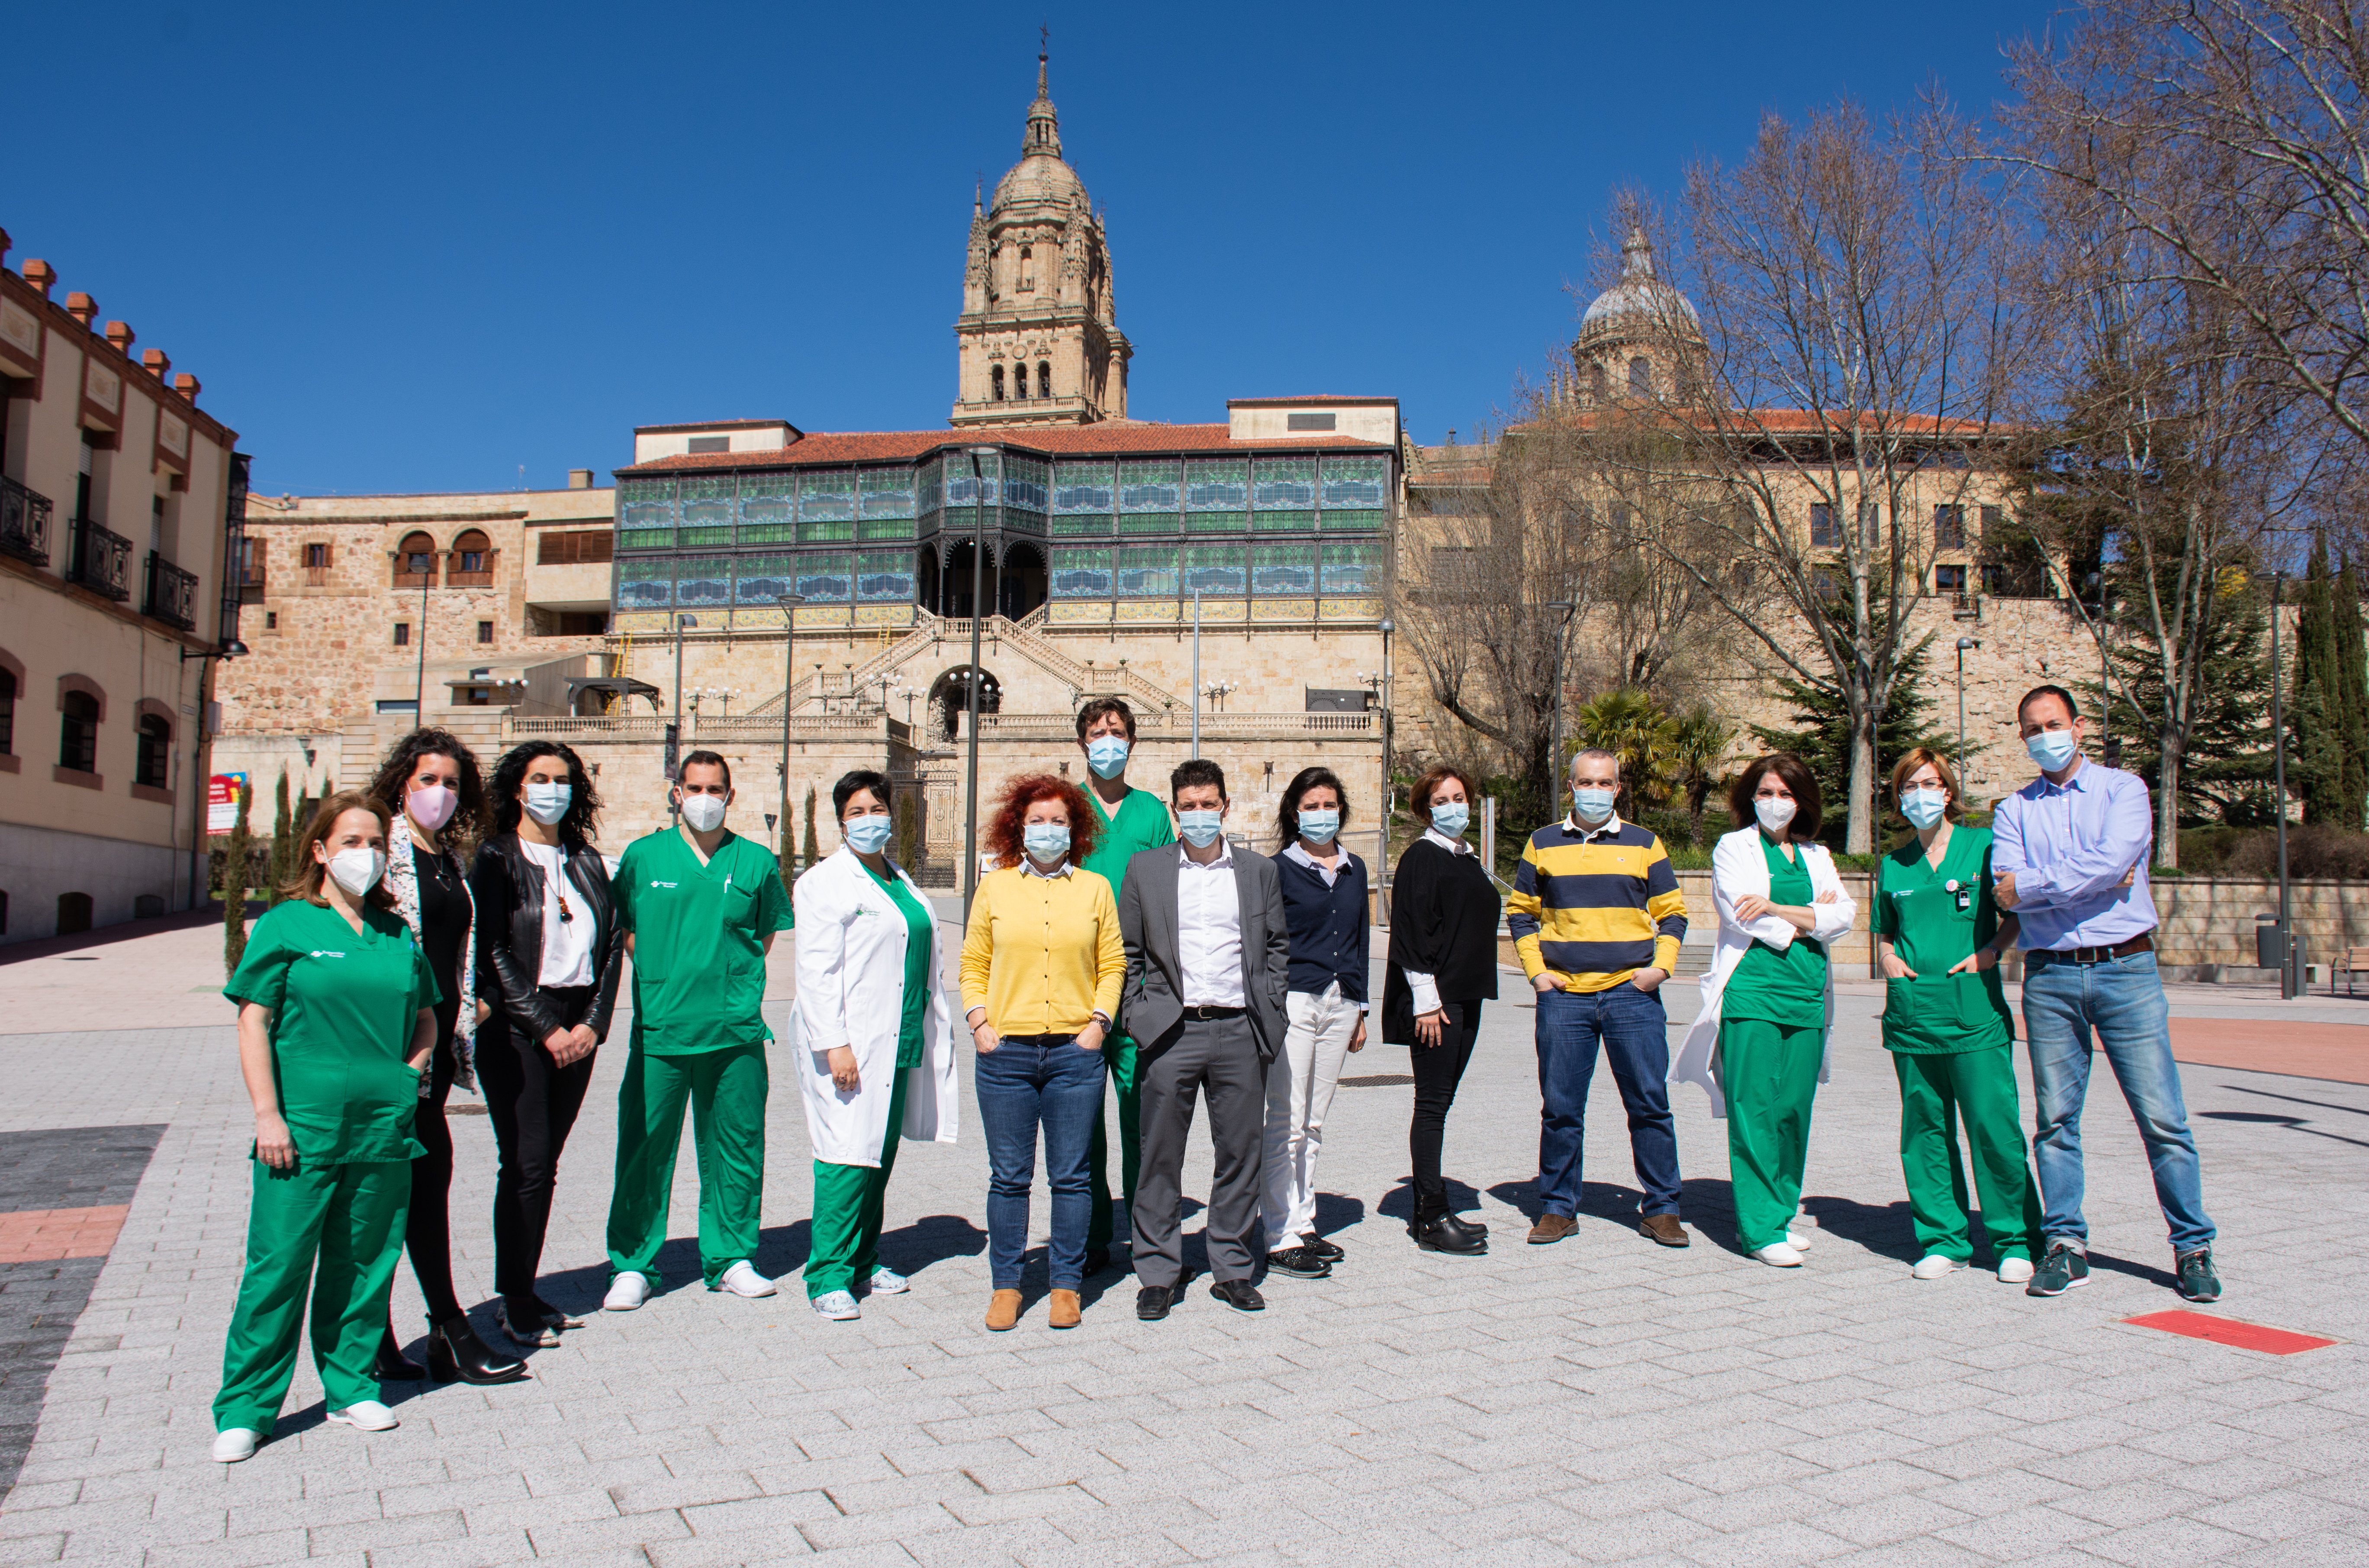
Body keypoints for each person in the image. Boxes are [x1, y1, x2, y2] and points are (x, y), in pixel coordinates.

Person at [212, 792, 439, 1463]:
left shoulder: (397, 934)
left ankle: (350, 1386)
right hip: (300, 1127)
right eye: (350, 841)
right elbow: (252, 1018)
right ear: (318, 849)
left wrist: (411, 1073)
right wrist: (268, 1114)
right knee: (278, 1268)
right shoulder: (286, 926)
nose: (364, 854)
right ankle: (246, 1407)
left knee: (365, 1263)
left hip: (382, 1127)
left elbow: (426, 1012)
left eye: (374, 842)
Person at [1991, 684, 2219, 1302]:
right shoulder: (2012, 810)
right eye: (2032, 727)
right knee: (2056, 1121)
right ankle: (2065, 1244)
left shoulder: (2124, 790)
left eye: (2053, 723)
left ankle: (2192, 1246)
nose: (2044, 735)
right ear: (2021, 737)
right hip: (2050, 976)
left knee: (2162, 1118)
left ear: (2079, 725)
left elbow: (2115, 856)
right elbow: (2005, 887)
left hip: (2126, 970)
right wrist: (2086, 877)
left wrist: (2039, 884)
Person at [603, 751, 795, 1309]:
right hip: (661, 1031)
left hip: (734, 1031)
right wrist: (666, 975)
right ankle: (634, 1264)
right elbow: (626, 929)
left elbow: (764, 934)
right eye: (694, 787)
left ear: (730, 796)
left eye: (715, 788)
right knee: (643, 1148)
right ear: (676, 793)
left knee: (737, 1148)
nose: (704, 798)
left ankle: (730, 1257)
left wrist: (728, 980)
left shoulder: (755, 862)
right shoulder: (643, 857)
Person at [362, 729, 523, 1386]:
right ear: (402, 781)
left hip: (433, 1053)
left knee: (418, 1187)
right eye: (429, 779)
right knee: (399, 1191)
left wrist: (473, 1005)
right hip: (388, 1050)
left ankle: (391, 1332)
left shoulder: (447, 856)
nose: (441, 792)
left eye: (452, 782)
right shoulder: (382, 846)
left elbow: (459, 945)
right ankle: (447, 1329)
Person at [1120, 760, 1290, 1318]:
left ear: (1225, 806)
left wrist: (1272, 1008)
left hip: (1241, 1029)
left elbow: (1276, 946)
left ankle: (1233, 1266)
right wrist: (1137, 1014)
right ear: (1175, 809)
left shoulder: (1256, 870)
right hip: (1171, 1031)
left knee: (1240, 1152)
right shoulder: (1146, 870)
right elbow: (1129, 952)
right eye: (1188, 805)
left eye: (1208, 803)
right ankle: (1157, 1269)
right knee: (1158, 1156)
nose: (1199, 813)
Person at [1671, 753, 1855, 1267]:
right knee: (1754, 1108)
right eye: (1766, 792)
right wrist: (1807, 919)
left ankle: (1779, 1211)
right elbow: (1739, 911)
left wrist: (1776, 907)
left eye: (1786, 794)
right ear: (1750, 796)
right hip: (1752, 992)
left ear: (1802, 802)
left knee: (1794, 1110)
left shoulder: (1815, 854)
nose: (1776, 802)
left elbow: (1844, 915)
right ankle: (1758, 1228)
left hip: (1806, 996)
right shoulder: (1733, 846)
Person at [472, 741, 625, 1344]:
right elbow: (491, 951)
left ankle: (525, 1287)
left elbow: (611, 945)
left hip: (577, 1021)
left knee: (546, 1166)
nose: (552, 789)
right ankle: (513, 1296)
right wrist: (546, 1026)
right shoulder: (495, 857)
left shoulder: (586, 859)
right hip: (518, 1025)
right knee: (527, 1164)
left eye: (563, 779)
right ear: (517, 787)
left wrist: (592, 1023)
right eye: (540, 778)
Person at [1507, 748, 1690, 1251]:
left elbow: (1672, 913)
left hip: (1630, 994)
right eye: (1585, 782)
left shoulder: (1644, 843)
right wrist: (1536, 973)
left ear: (1617, 787)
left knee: (1649, 1103)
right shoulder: (1542, 843)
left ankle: (1662, 1207)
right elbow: (1520, 911)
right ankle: (1557, 1207)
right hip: (1564, 996)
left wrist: (1660, 969)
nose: (1595, 790)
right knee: (1560, 1107)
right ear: (1570, 786)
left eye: (1604, 782)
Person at [959, 774, 1123, 1331]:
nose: (1047, 830)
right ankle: (1006, 1285)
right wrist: (979, 1021)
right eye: (1037, 821)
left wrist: (1098, 1025)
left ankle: (1065, 1284)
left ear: (1073, 828)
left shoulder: (1095, 888)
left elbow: (1113, 962)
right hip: (1006, 1052)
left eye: (1058, 820)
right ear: (1018, 827)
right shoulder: (996, 887)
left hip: (1075, 1054)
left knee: (1072, 1175)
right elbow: (973, 962)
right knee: (1008, 1175)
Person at [1875, 748, 2044, 1285]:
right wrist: (1886, 959)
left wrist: (1991, 953)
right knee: (1924, 1129)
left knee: (1992, 1125)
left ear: (1947, 791)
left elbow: (2016, 912)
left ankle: (2015, 1237)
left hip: (1974, 1013)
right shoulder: (1893, 863)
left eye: (1928, 783)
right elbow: (1884, 929)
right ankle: (1942, 1237)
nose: (1919, 795)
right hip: (1913, 1014)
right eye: (1908, 786)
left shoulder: (1983, 846)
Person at [795, 770, 959, 1322]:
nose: (870, 819)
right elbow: (815, 973)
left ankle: (864, 1260)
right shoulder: (824, 882)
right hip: (851, 1044)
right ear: (840, 821)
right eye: (857, 811)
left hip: (899, 1040)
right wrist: (834, 1044)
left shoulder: (897, 877)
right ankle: (827, 1273)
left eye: (877, 808)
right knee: (844, 1156)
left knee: (876, 1156)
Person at [1074, 697, 1176, 1277]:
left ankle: (1147, 1232)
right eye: (1097, 731)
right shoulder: (1066, 808)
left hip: (1137, 988)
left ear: (1131, 743)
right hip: (1077, 989)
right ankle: (1091, 1234)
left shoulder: (1150, 813)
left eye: (1116, 731)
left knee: (1142, 1115)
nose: (1107, 740)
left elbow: (1166, 894)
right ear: (1082, 742)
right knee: (1082, 1120)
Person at [1380, 764, 1500, 1254]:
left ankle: (1430, 1208)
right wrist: (1425, 1003)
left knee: (1442, 1102)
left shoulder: (1465, 858)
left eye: (1459, 795)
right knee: (1430, 1104)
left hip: (1467, 997)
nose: (1454, 805)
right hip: (1437, 1003)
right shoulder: (1421, 857)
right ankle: (1430, 1215)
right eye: (1442, 798)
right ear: (1425, 808)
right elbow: (1411, 929)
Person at [1261, 767, 1367, 1281]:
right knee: (1286, 1119)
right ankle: (1277, 1232)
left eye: (1329, 804)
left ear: (1340, 810)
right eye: (1311, 805)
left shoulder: (1355, 868)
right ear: (1293, 812)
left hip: (1339, 1001)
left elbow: (1359, 939)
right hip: (1294, 1003)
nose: (1320, 813)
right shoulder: (1276, 869)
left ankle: (1303, 1222)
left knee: (1315, 1124)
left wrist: (1360, 1009)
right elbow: (1263, 943)